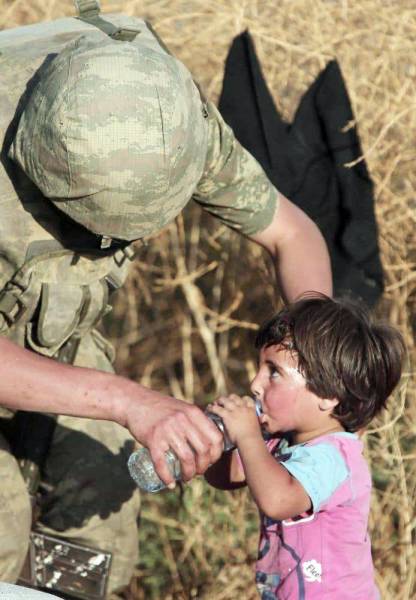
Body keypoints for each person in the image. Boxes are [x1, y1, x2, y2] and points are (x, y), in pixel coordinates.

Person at [0, 2, 332, 594]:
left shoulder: (166, 120)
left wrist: (314, 363)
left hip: (56, 338)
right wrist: (130, 402)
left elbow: (291, 234)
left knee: (95, 531)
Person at [205, 294, 405, 599]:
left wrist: (246, 436)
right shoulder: (279, 442)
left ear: (328, 394)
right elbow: (224, 477)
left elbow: (277, 500)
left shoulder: (335, 458)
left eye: (273, 372)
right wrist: (221, 440)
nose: (255, 384)